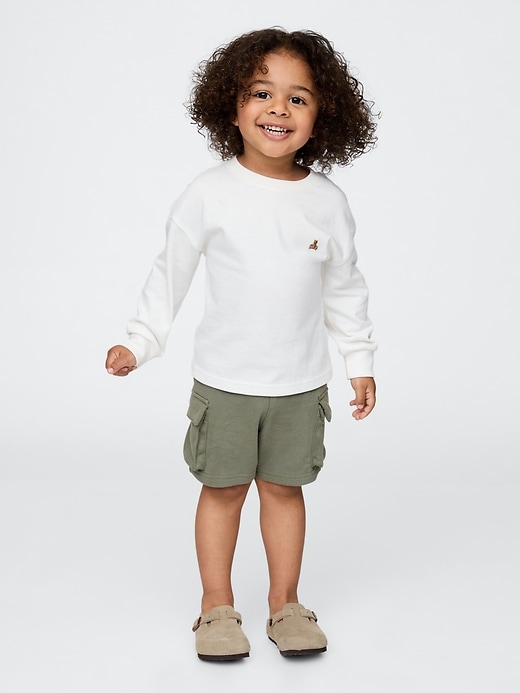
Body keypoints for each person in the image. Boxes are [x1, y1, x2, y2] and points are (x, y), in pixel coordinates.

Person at [105, 27, 378, 661]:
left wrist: (359, 361)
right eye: (261, 92)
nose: (278, 108)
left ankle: (286, 605)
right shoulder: (209, 193)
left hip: (299, 386)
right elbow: (169, 274)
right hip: (225, 384)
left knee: (285, 491)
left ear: (322, 116)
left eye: (298, 98)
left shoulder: (327, 202)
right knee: (223, 491)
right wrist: (141, 341)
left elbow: (345, 289)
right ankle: (216, 607)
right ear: (231, 106)